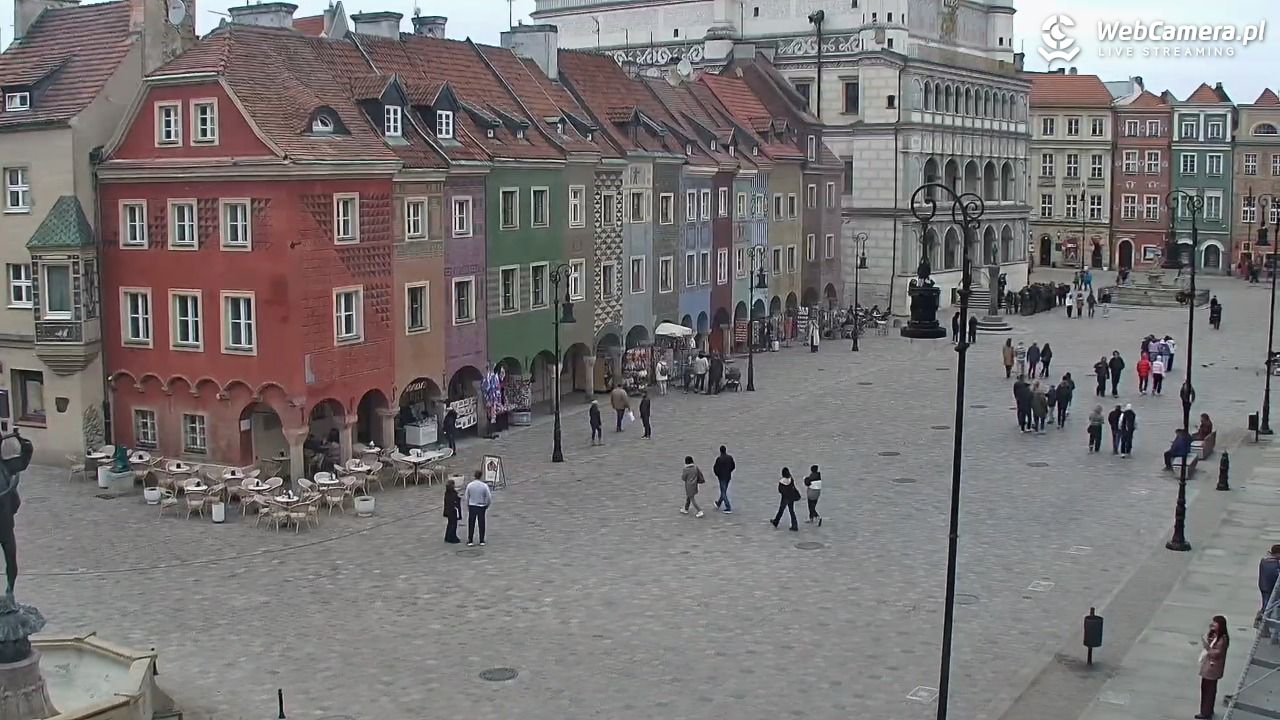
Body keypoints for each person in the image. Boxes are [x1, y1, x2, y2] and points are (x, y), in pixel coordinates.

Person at [1197, 615, 1230, 719]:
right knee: (1206, 689)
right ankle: (1206, 710)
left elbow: (1216, 653)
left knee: (1209, 691)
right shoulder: (1215, 636)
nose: (1213, 624)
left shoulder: (1222, 639)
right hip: (1210, 667)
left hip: (1213, 668)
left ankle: (1206, 712)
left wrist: (1207, 647)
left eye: (1215, 623)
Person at [464, 469, 492, 547]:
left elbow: (467, 497)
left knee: (471, 523)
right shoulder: (484, 486)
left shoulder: (470, 485)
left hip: (472, 506)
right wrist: (487, 505)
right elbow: (489, 497)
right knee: (481, 523)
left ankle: (470, 540)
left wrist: (468, 506)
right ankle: (481, 540)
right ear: (481, 476)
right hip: (481, 506)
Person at [1258, 546, 1280, 633]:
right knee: (1268, 607)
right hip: (1269, 588)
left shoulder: (1264, 561)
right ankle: (1264, 626)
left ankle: (1263, 624)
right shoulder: (1273, 564)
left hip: (1263, 586)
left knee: (1265, 605)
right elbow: (1275, 575)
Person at [771, 467, 801, 531]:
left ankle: (776, 522)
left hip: (785, 498)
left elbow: (780, 490)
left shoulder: (782, 481)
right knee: (791, 511)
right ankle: (794, 525)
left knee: (781, 510)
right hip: (791, 497)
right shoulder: (791, 479)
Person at [712, 445, 735, 514]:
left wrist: (718, 475)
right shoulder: (730, 458)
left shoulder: (719, 459)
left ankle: (728, 507)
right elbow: (733, 466)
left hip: (721, 477)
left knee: (723, 492)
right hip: (728, 476)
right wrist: (729, 471)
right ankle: (718, 503)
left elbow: (715, 468)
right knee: (724, 491)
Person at [443, 478, 462, 544]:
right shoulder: (453, 493)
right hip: (453, 511)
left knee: (450, 524)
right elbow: (455, 501)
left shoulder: (447, 492)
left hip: (448, 511)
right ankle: (452, 537)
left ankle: (447, 536)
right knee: (453, 525)